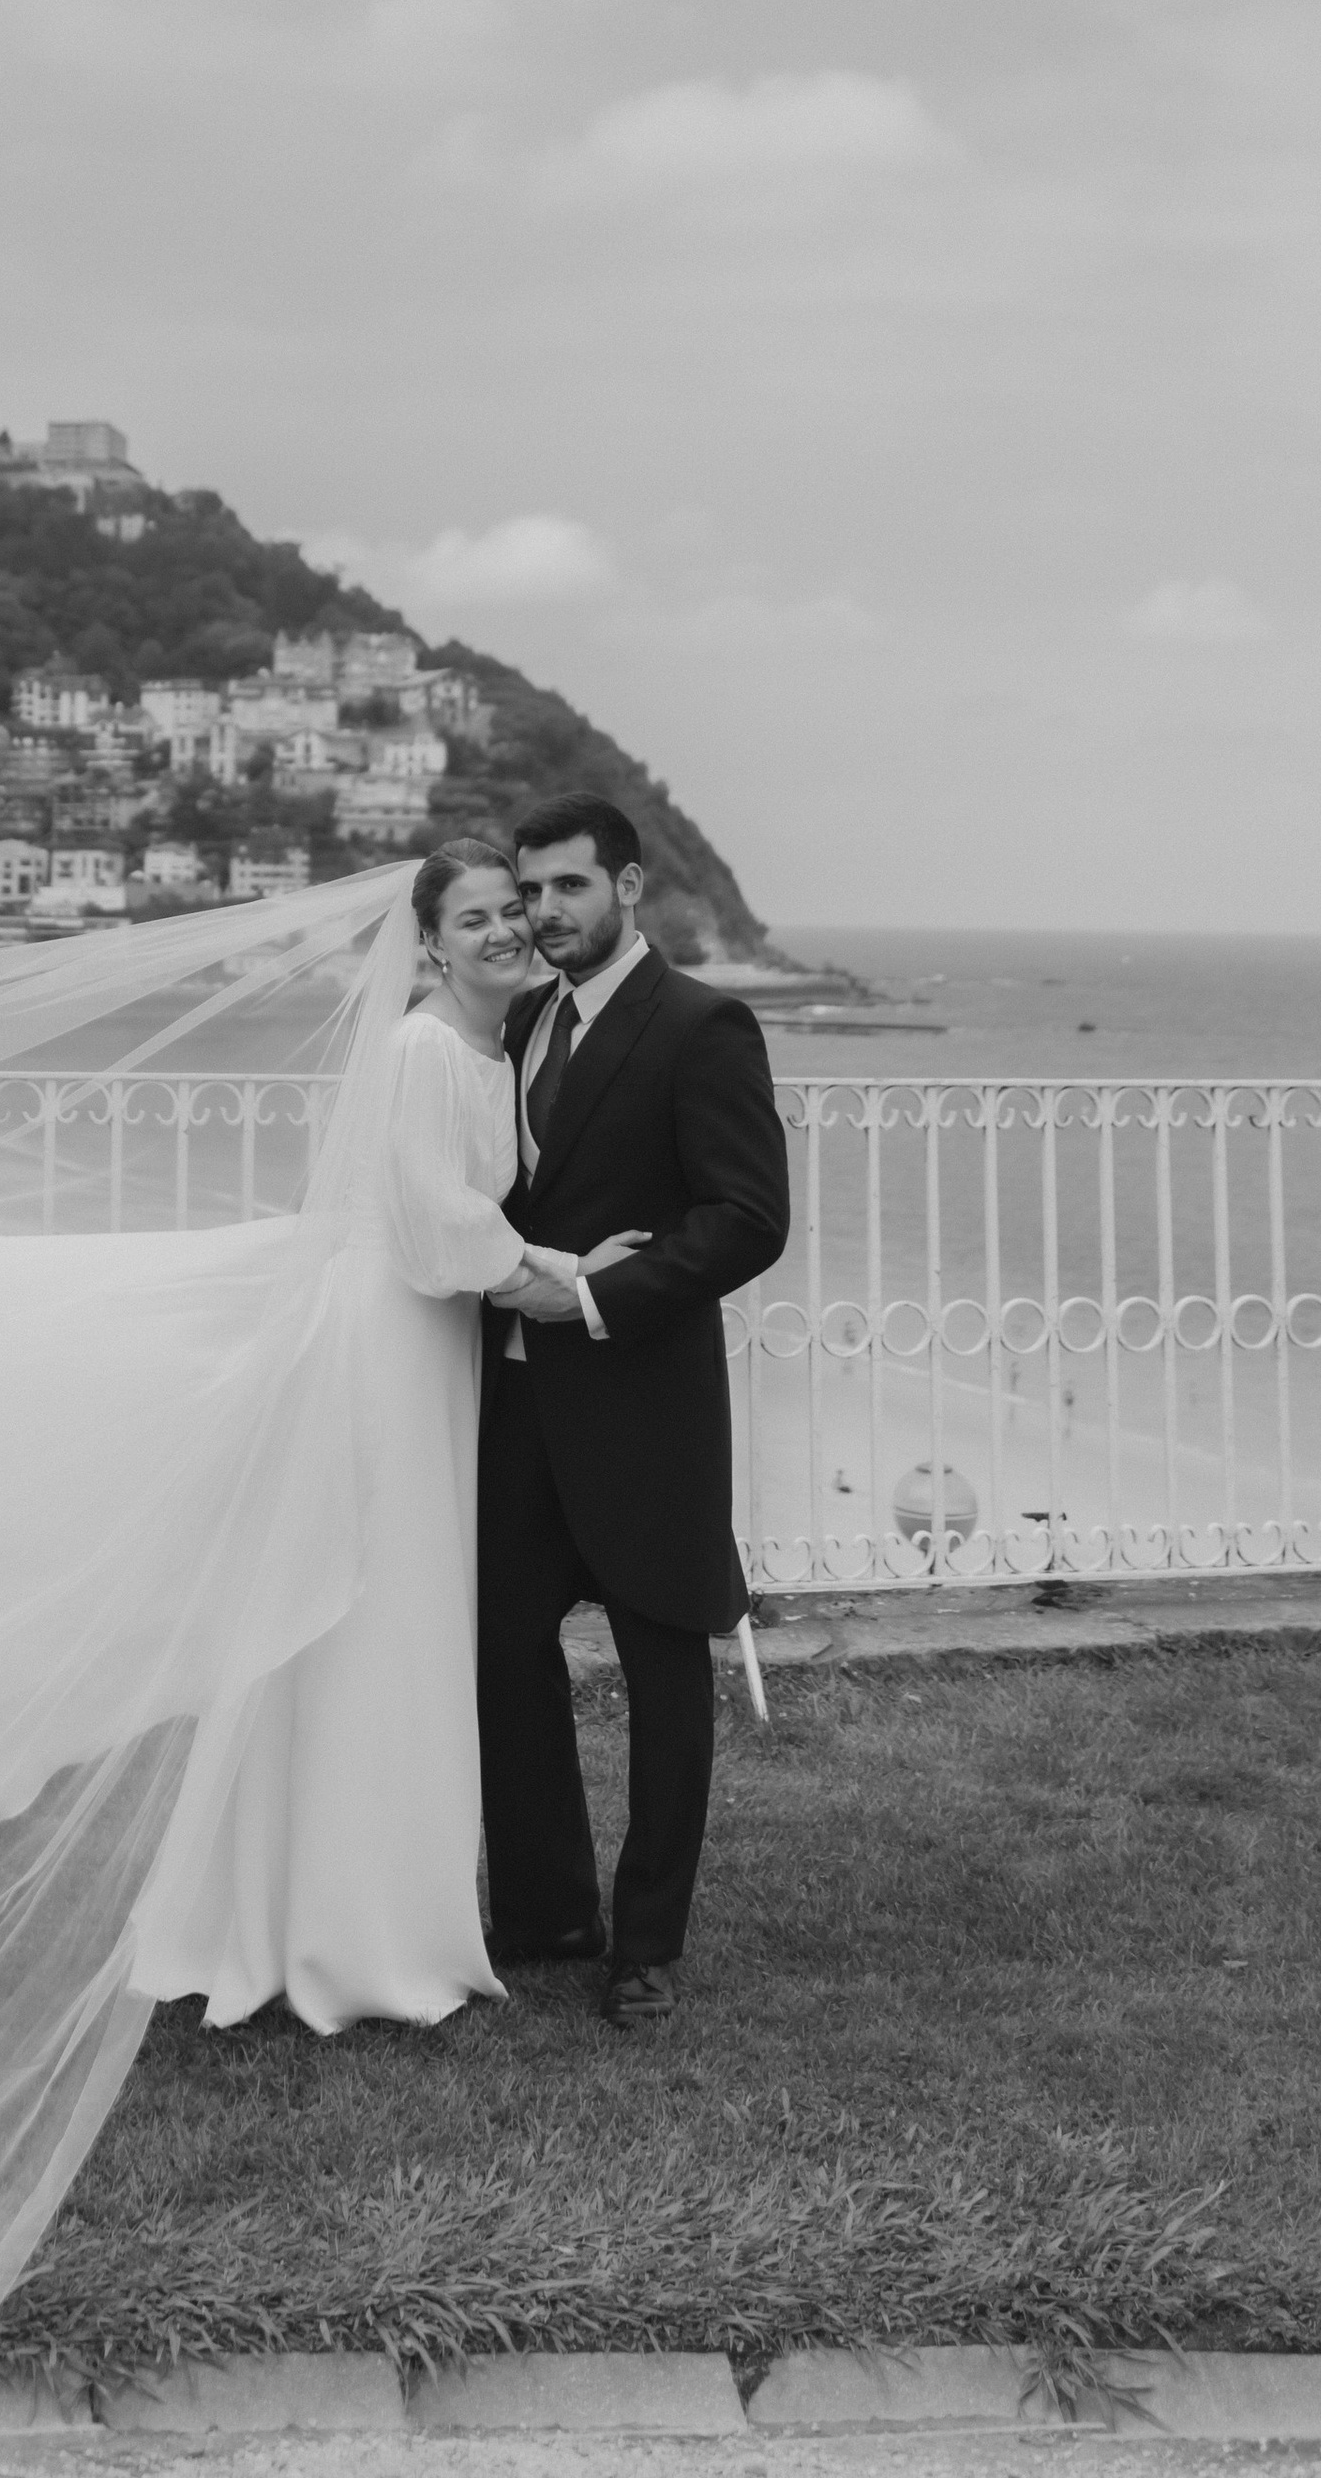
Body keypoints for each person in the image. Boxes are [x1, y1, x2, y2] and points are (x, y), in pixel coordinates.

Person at [132, 838, 581, 2024]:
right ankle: (351, 1926)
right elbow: (440, 1232)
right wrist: (574, 1277)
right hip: (389, 1344)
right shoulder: (427, 1046)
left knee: (405, 1615)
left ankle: (361, 1901)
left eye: (513, 912)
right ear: (428, 943)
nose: (504, 932)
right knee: (378, 1611)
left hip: (432, 1350)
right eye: (475, 917)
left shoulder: (498, 1048)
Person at [478, 791, 792, 2028]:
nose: (544, 912)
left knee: (666, 1676)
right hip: (510, 1404)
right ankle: (551, 1913)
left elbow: (747, 1218)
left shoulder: (702, 1025)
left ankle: (646, 1943)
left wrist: (597, 1297)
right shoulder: (510, 1030)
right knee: (503, 1658)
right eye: (528, 891)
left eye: (566, 887)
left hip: (645, 1403)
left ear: (628, 888)